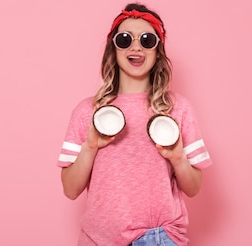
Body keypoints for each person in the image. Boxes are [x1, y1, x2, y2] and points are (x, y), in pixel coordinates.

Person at [57, 3, 213, 246]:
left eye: (147, 40)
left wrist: (177, 157)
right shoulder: (88, 111)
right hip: (97, 240)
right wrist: (90, 146)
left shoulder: (177, 109)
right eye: (125, 39)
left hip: (158, 238)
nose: (136, 47)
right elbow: (70, 189)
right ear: (114, 49)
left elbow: (193, 188)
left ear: (157, 51)